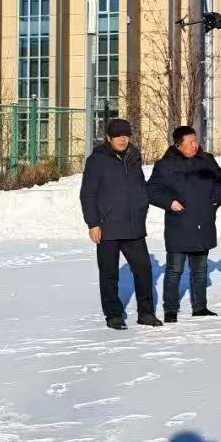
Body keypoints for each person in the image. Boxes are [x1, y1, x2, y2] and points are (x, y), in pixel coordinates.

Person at [79, 118, 162, 330]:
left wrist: (142, 206)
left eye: (126, 135)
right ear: (109, 138)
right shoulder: (97, 160)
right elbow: (87, 194)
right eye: (118, 136)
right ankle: (113, 314)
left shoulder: (134, 157)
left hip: (133, 226)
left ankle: (146, 313)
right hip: (107, 227)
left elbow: (140, 186)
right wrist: (93, 223)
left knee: (144, 270)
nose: (123, 139)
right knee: (109, 274)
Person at [147, 125, 221, 323]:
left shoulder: (206, 160)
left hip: (203, 223)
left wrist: (215, 199)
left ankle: (200, 307)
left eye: (195, 141)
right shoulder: (166, 165)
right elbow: (152, 190)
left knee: (200, 269)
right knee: (175, 270)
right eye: (190, 142)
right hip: (180, 225)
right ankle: (170, 309)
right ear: (178, 145)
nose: (194, 145)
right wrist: (170, 203)